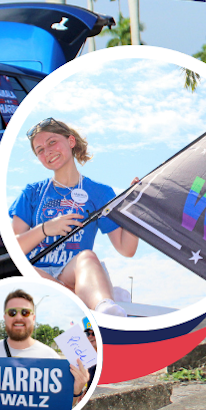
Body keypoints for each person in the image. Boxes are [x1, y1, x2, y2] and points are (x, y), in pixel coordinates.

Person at [11, 118, 139, 317]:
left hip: (75, 274)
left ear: (71, 141)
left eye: (52, 142)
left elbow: (126, 248)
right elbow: (13, 250)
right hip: (37, 275)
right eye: (40, 150)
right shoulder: (32, 192)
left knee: (87, 257)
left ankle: (105, 308)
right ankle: (86, 299)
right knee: (26, 270)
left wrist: (134, 207)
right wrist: (45, 229)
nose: (47, 151)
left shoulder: (100, 192)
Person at [0, 289, 89, 410]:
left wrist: (76, 390)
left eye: (25, 312)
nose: (18, 317)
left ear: (33, 318)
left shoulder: (51, 356)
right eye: (12, 312)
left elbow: (62, 407)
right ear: (5, 317)